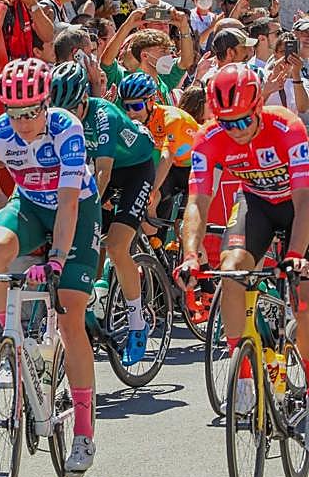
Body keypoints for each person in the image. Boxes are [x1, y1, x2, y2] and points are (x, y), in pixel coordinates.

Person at [0, 58, 101, 476]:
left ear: (45, 105)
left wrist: (57, 258)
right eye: (13, 114)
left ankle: (82, 430)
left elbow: (69, 201)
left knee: (71, 314)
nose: (22, 123)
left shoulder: (66, 129)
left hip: (74, 212)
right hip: (28, 208)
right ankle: (15, 339)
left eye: (30, 113)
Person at [177, 64, 309, 416]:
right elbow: (197, 202)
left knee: (304, 292)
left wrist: (295, 254)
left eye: (242, 121)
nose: (234, 130)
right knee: (231, 269)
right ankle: (245, 376)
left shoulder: (287, 127)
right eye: (226, 122)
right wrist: (190, 254)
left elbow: (303, 200)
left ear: (257, 109)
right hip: (258, 203)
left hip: (300, 203)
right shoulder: (208, 138)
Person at [49, 62, 157, 365]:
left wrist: (83, 214)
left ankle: (137, 321)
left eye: (72, 109)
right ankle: (92, 295)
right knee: (83, 239)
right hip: (99, 170)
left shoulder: (103, 114)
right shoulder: (57, 119)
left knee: (115, 245)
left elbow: (103, 174)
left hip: (134, 169)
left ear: (84, 100)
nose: (66, 117)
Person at [116, 72, 200, 220]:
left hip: (197, 166)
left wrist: (151, 190)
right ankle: (153, 242)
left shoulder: (171, 118)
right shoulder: (138, 122)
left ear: (151, 101)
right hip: (174, 168)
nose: (131, 113)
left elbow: (166, 156)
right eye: (126, 106)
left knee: (184, 222)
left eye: (136, 106)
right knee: (147, 205)